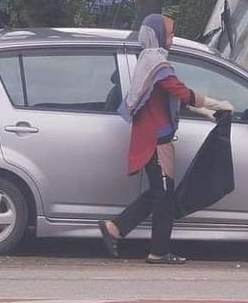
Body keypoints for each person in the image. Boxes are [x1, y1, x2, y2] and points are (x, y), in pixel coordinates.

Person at [98, 14, 233, 265]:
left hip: (155, 140)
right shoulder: (156, 64)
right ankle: (157, 251)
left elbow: (170, 96)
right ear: (158, 35)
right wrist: (216, 103)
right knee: (164, 197)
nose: (172, 38)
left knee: (159, 194)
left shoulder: (151, 60)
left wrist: (205, 112)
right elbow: (180, 91)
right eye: (170, 34)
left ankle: (114, 228)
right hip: (155, 143)